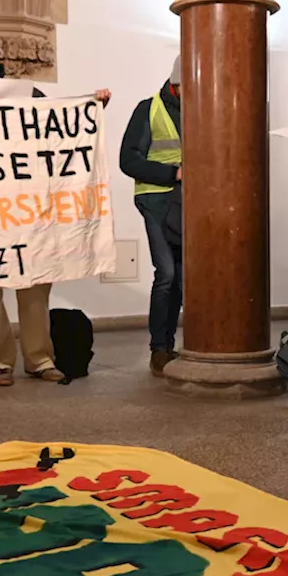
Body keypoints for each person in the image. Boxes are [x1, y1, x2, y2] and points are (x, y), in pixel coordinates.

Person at [0, 28, 111, 387]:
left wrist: (90, 108)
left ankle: (39, 358)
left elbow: (57, 123)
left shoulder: (25, 92)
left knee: (35, 280)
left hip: (25, 204)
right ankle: (1, 362)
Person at [120, 56, 184, 376]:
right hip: (156, 201)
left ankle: (175, 345)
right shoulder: (149, 109)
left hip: (190, 202)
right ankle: (159, 348)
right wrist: (173, 173)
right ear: (177, 83)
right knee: (168, 274)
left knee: (184, 277)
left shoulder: (201, 109)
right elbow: (128, 161)